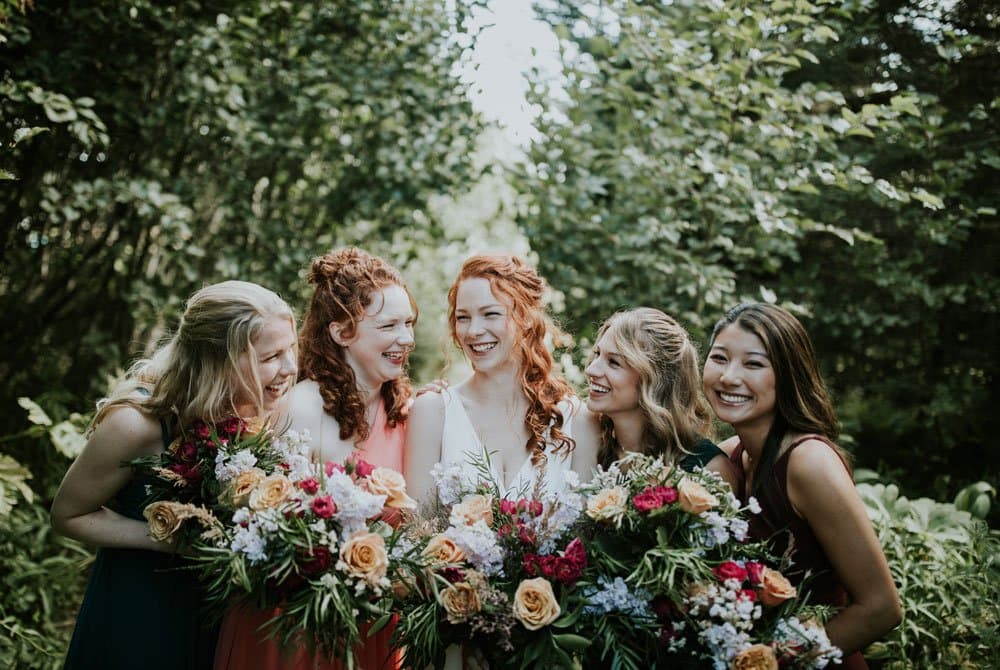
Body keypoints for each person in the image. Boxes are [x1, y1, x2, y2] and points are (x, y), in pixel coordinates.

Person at [51, 281, 298, 670]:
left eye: (289, 350)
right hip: (140, 615)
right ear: (218, 360)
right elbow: (68, 515)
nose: (289, 368)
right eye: (270, 357)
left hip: (222, 620)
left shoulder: (268, 411)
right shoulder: (137, 423)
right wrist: (170, 538)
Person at [214, 247, 415, 670]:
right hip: (296, 624)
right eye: (390, 326)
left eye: (409, 324)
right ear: (342, 332)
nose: (407, 339)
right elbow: (261, 521)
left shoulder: (407, 415)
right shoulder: (300, 407)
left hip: (372, 623)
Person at [703, 302, 901, 667]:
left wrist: (771, 661)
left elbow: (881, 609)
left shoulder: (808, 462)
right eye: (719, 358)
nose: (729, 377)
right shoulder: (729, 456)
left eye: (753, 363)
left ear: (789, 374)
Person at [406, 254, 599, 505]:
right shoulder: (432, 412)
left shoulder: (577, 420)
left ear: (527, 317)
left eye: (490, 314)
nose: (473, 331)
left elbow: (585, 537)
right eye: (463, 317)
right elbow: (416, 532)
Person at [583, 307, 737, 489]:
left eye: (614, 362)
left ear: (656, 380)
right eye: (597, 354)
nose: (591, 369)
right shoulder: (588, 447)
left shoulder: (708, 470)